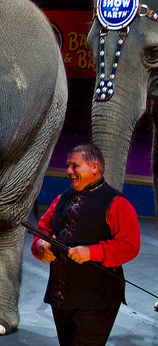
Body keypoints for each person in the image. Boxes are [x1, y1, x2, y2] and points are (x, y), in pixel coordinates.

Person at [31, 144, 141, 345]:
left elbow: (129, 245)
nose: (69, 171)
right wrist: (40, 246)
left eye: (75, 166)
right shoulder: (61, 199)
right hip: (61, 296)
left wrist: (91, 252)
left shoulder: (117, 203)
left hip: (97, 300)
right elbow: (43, 231)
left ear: (94, 167)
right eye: (68, 166)